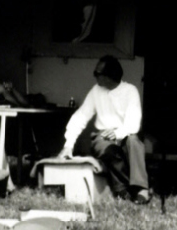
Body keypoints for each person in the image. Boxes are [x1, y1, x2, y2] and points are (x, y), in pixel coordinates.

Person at [59, 55, 150, 204]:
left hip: (126, 133)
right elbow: (81, 116)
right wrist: (68, 145)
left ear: (109, 76)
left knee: (134, 142)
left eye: (97, 73)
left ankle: (141, 189)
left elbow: (133, 123)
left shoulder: (130, 91)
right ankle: (122, 190)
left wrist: (118, 133)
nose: (94, 76)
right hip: (103, 135)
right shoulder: (96, 91)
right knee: (108, 150)